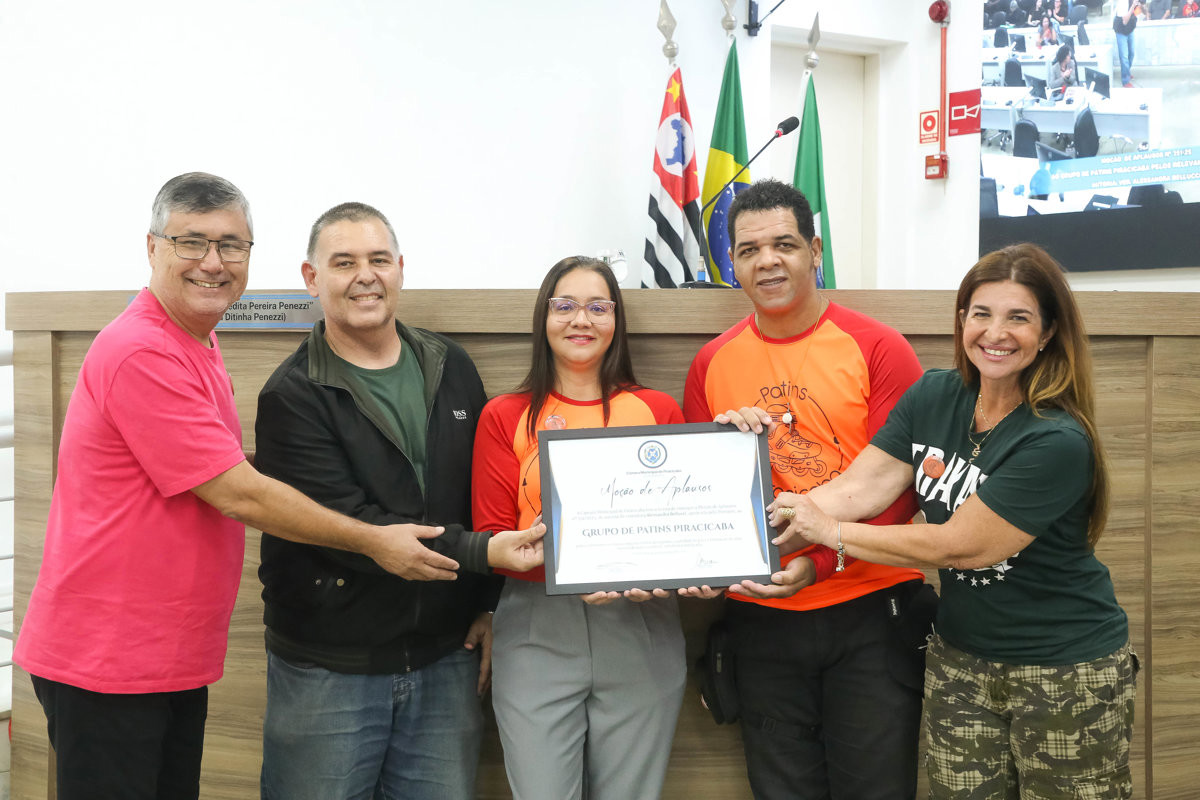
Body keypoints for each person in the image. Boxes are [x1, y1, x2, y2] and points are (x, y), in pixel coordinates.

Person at [12, 173, 544, 800]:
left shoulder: (199, 343)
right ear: (152, 248)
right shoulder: (145, 353)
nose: (214, 262)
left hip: (171, 656)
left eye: (232, 245)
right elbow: (239, 492)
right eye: (192, 242)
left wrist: (482, 596)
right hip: (112, 657)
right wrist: (385, 540)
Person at [769, 243, 1135, 798]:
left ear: (1048, 332)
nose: (996, 332)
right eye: (981, 313)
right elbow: (858, 487)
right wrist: (767, 525)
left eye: (1019, 318)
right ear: (962, 319)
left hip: (1064, 670)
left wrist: (830, 534)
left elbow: (959, 547)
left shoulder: (1056, 439)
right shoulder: (937, 393)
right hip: (960, 661)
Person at [253, 202, 542, 799]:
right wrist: (489, 555)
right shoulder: (292, 395)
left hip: (445, 662)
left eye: (379, 259)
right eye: (344, 262)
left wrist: (488, 605)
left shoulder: (450, 365)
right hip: (329, 673)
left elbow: (484, 495)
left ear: (401, 269)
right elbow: (356, 530)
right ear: (312, 278)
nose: (366, 275)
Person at [682, 178, 932, 800]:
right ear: (731, 263)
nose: (767, 260)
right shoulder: (711, 364)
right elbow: (698, 491)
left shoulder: (880, 349)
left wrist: (819, 560)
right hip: (761, 619)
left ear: (815, 251)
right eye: (748, 249)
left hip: (870, 611)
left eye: (784, 244)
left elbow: (899, 494)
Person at [472, 257, 687, 800]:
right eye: (564, 305)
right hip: (536, 624)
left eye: (598, 306)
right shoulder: (505, 414)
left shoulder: (657, 410)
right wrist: (558, 549)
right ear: (543, 317)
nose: (580, 320)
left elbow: (682, 527)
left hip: (641, 619)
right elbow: (493, 533)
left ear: (616, 319)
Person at [1114, 0, 1142, 87]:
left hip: (1130, 29)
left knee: (1132, 53)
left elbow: (1138, 13)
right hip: (1121, 30)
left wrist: (1141, 7)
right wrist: (1133, 6)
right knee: (1124, 56)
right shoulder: (1123, 2)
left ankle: (1126, 72)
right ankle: (1125, 80)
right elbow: (1125, 21)